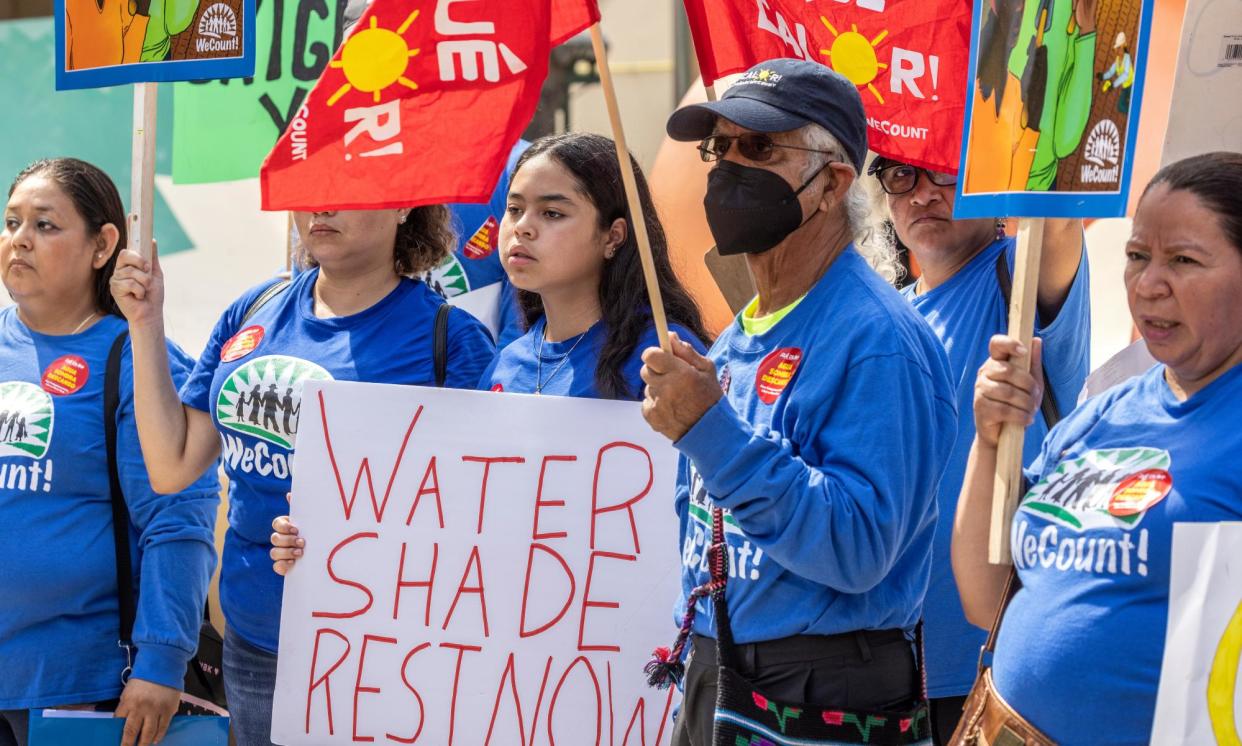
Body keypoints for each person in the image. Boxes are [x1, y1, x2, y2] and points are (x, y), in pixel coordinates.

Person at [639, 59, 957, 745]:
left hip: (819, 688)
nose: (726, 168)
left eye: (758, 148)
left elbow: (859, 546)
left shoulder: (876, 340)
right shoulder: (732, 344)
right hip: (720, 667)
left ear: (831, 183)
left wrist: (712, 433)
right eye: (717, 148)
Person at [110, 201, 496, 745]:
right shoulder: (255, 308)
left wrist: (349, 536)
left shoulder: (450, 338)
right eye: (309, 188)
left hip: (385, 657)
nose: (322, 206)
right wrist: (146, 324)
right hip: (255, 645)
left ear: (405, 204)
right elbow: (172, 466)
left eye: (349, 188)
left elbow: (483, 516)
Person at [954, 152, 1242, 745]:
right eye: (1137, 256)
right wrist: (989, 440)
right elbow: (985, 599)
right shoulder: (1102, 411)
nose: (1148, 283)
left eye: (1183, 260)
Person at [0, 158, 219, 746]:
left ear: (103, 245)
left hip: (79, 690)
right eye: (11, 221)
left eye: (45, 225)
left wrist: (161, 660)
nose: (20, 239)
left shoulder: (137, 358)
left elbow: (177, 521)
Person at [870, 157, 1089, 742]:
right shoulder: (883, 314)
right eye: (899, 175)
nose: (921, 195)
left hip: (987, 660)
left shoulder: (1017, 276)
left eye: (942, 173)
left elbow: (1060, 219)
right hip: (883, 664)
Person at [478, 131, 710, 398]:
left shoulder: (663, 358)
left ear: (613, 236)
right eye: (514, 209)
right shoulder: (503, 367)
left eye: (552, 213)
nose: (522, 227)